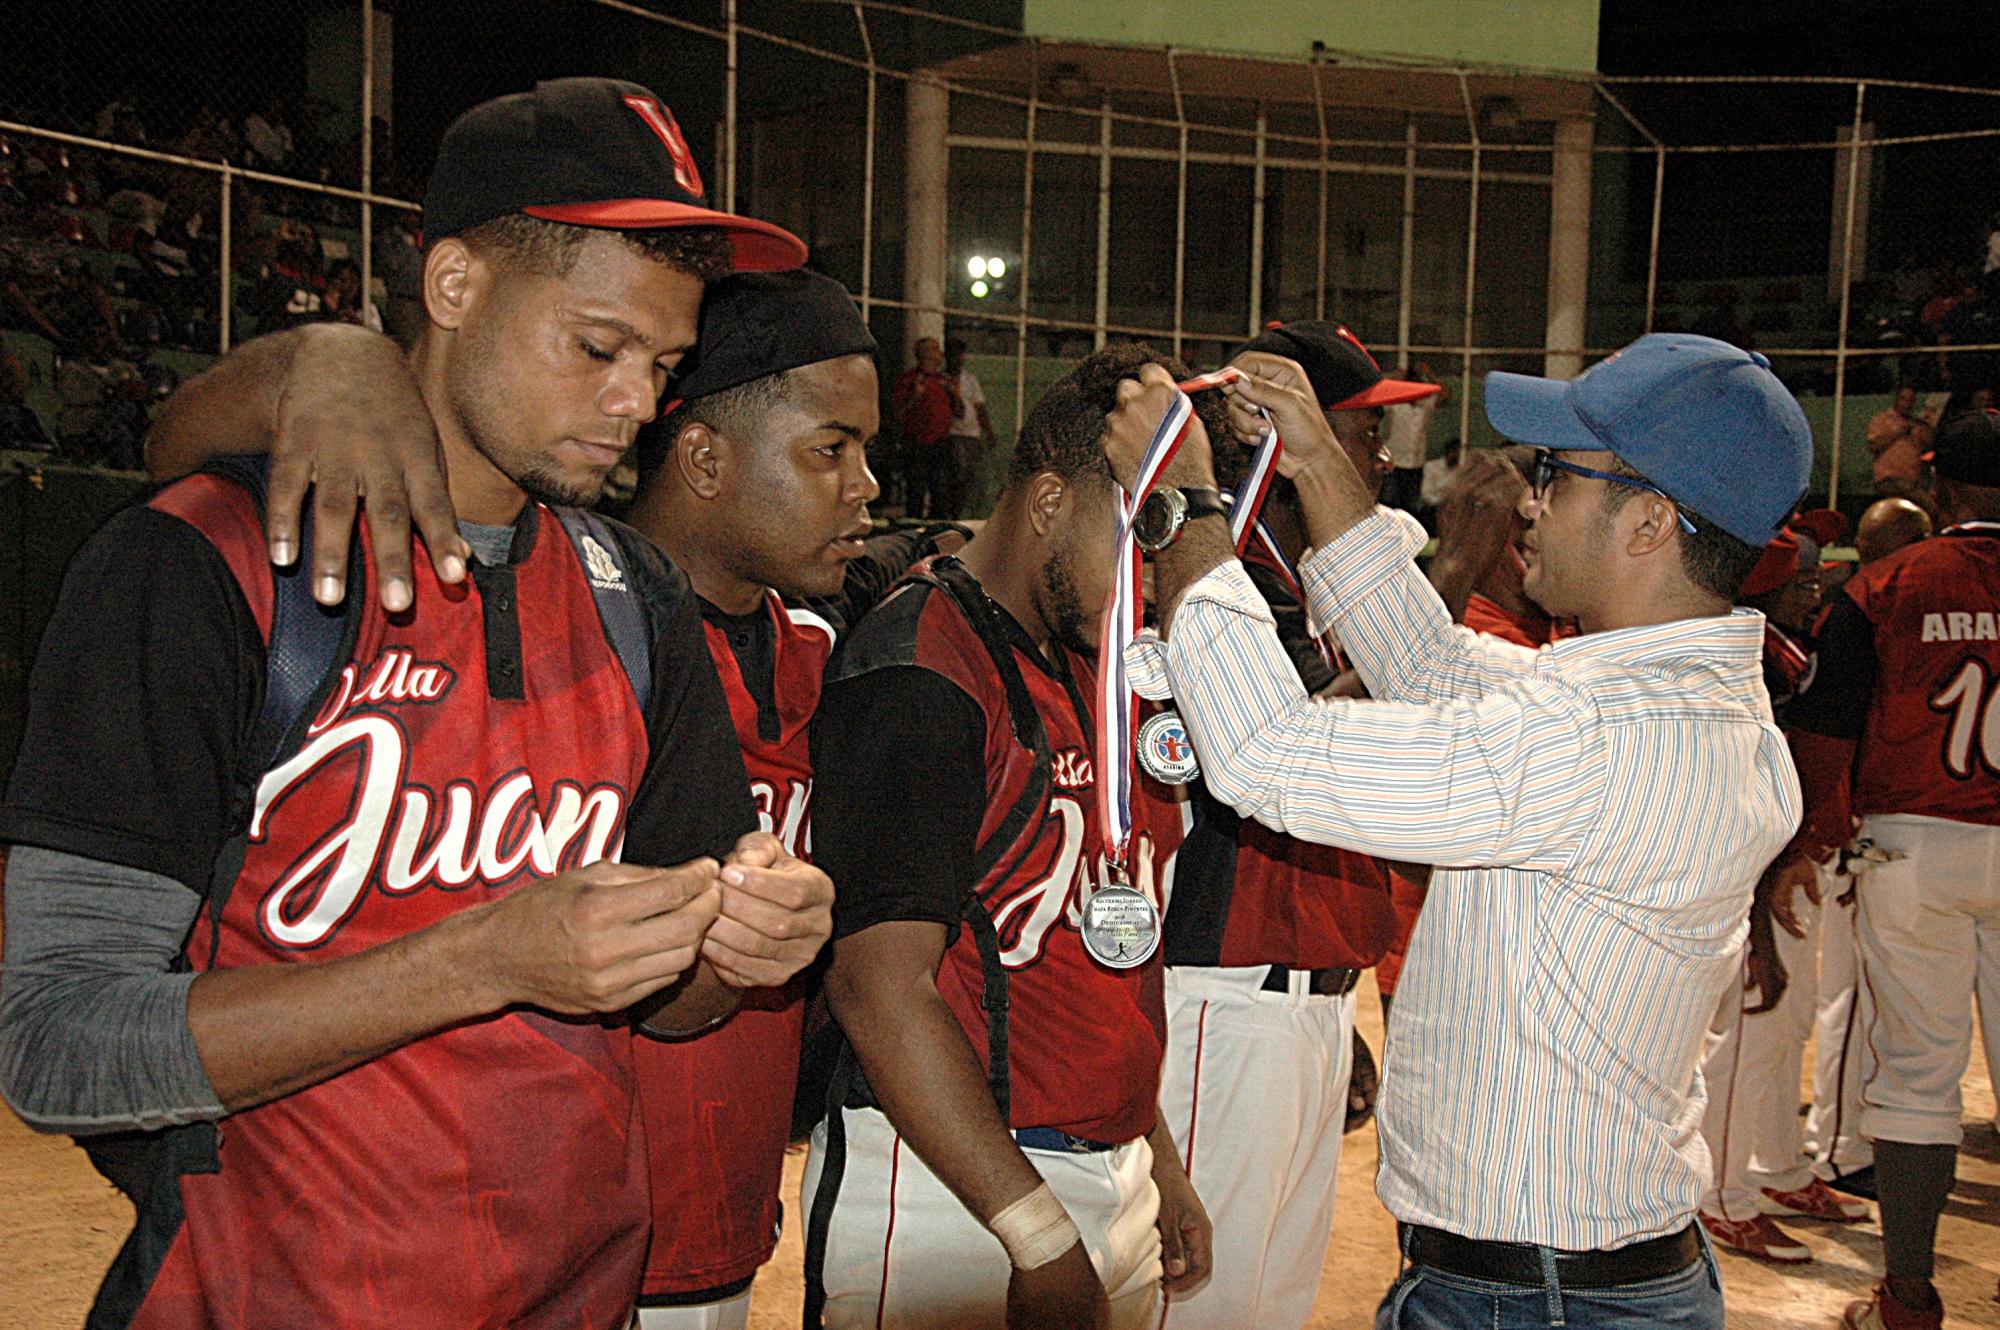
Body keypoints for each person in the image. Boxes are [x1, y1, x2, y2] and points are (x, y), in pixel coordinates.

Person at [0, 77, 833, 1329]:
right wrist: (480, 958)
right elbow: (58, 1042)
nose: (636, 403)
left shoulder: (635, 596)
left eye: (663, 364)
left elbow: (675, 1008)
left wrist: (736, 945)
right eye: (597, 348)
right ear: (453, 285)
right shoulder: (205, 562)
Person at [1110, 331, 1813, 1329]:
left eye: (1557, 478)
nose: (1530, 504)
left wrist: (1183, 505)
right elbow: (1430, 669)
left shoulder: (1599, 738)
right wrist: (1316, 459)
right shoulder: (1680, 706)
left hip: (1534, 1298)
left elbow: (1267, 754)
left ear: (1649, 522)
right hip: (1570, 1278)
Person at [805, 344, 1212, 1330]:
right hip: (951, 1194)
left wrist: (1152, 1156)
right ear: (1048, 504)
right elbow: (876, 986)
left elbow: (1094, 954)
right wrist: (1035, 1233)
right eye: (1137, 537)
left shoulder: (1092, 656)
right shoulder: (921, 662)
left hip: (1106, 1175)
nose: (1150, 579)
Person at [1155, 320, 1436, 1330]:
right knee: (1199, 1310)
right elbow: (1299, 743)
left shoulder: (1294, 568)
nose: (1380, 456)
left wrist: (1333, 1005)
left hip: (1294, 999)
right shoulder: (1216, 567)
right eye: (1362, 428)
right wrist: (1445, 585)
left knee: (1267, 1308)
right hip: (1219, 998)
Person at [1777, 409, 2000, 1330]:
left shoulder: (1888, 582)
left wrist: (1811, 838)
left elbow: (1828, 726)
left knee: (1915, 1076)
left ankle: (1907, 1297)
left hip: (1910, 840)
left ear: (1941, 488)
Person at [1693, 525, 1873, 1266]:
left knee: (1785, 1028)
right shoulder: (1748, 660)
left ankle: (1775, 1167)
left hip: (1787, 861)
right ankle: (1720, 1198)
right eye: (1797, 582)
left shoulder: (1781, 652)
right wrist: (1773, 881)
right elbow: (1750, 794)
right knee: (1749, 1035)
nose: (1814, 590)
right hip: (1753, 877)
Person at [892, 334, 959, 518]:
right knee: (916, 488)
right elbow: (898, 413)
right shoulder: (910, 379)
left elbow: (959, 412)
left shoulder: (943, 381)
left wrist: (954, 395)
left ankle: (938, 524)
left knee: (940, 488)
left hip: (941, 441)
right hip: (917, 440)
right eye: (934, 349)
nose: (939, 354)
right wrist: (915, 396)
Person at [1379, 360, 1444, 512]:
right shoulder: (1395, 405)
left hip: (1416, 464)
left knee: (1410, 507)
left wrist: (1429, 374)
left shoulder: (1425, 406)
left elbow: (1444, 393)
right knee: (1388, 505)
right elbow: (1379, 391)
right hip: (1395, 462)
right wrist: (1396, 378)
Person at [945, 335, 996, 514]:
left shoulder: (970, 380)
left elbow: (979, 407)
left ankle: (964, 511)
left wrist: (988, 432)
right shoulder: (943, 379)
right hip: (953, 433)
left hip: (971, 433)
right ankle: (954, 511)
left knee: (970, 476)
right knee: (957, 474)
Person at [1867, 383, 1934, 501]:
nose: (1907, 404)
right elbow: (1873, 445)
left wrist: (1929, 424)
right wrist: (1898, 432)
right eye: (1903, 399)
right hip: (1889, 479)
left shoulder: (1916, 424)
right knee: (1926, 503)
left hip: (1911, 480)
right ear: (1897, 399)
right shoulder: (1882, 420)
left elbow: (1929, 446)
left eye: (1910, 400)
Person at [1418, 436, 1463, 512]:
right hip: (1434, 508)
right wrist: (1442, 503)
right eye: (1456, 452)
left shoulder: (1460, 470)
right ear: (1450, 451)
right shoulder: (1431, 467)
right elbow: (1426, 494)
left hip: (1453, 510)